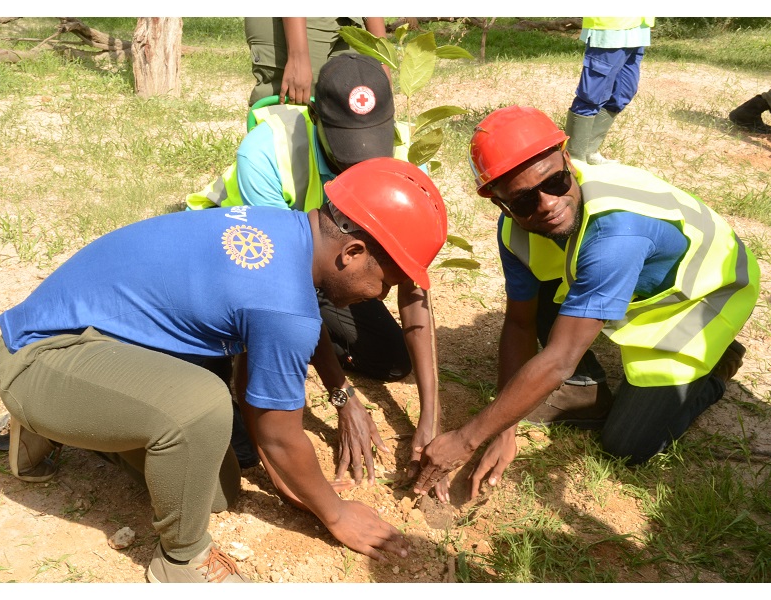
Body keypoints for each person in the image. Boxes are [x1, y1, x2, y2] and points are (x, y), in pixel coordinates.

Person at [0, 157, 448, 583]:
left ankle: (70, 424)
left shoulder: (284, 230)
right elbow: (279, 434)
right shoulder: (284, 307)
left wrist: (290, 468)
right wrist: (333, 511)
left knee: (217, 492)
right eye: (386, 281)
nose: (382, 295)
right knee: (201, 405)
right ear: (352, 250)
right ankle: (180, 562)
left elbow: (256, 386)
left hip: (95, 342)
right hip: (41, 356)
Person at [414, 105, 759, 501]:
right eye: (523, 200)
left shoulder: (616, 234)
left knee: (626, 445)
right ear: (501, 204)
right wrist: (503, 430)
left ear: (568, 161)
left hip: (702, 300)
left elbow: (559, 359)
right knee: (548, 293)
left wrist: (467, 439)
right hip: (627, 284)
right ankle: (584, 391)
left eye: (556, 182)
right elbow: (520, 323)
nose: (546, 204)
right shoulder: (517, 227)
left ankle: (714, 368)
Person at [187, 53, 450, 500]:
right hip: (238, 261)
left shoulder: (405, 162)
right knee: (238, 443)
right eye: (345, 151)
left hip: (323, 265)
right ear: (314, 119)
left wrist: (431, 415)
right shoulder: (267, 153)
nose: (360, 166)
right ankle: (227, 357)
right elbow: (275, 282)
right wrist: (342, 396)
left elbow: (413, 284)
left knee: (391, 361)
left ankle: (302, 341)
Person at [564, 17, 655, 165]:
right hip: (611, 29)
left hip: (638, 28)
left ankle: (589, 151)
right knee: (591, 95)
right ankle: (573, 157)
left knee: (622, 93)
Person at [244, 17, 388, 106]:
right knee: (290, 123)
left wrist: (382, 58)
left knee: (355, 114)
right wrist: (297, 55)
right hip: (296, 22)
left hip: (353, 20)